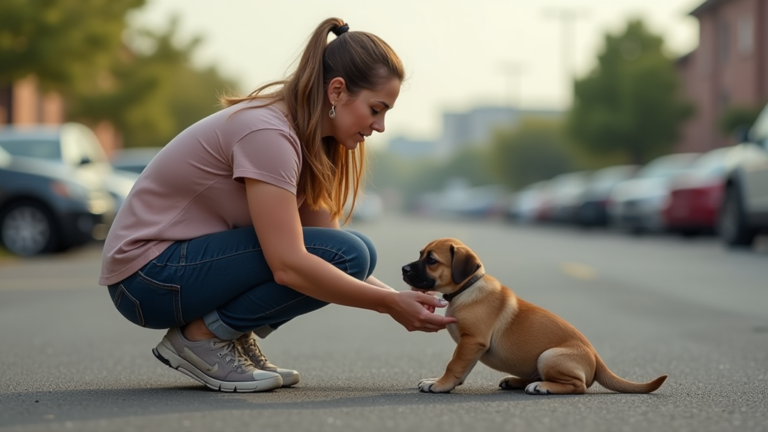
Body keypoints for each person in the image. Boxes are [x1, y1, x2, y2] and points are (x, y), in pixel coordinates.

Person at [99, 17, 456, 393]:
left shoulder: (313, 142)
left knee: (358, 251)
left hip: (175, 272)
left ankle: (225, 335)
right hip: (147, 278)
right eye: (376, 109)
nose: (380, 126)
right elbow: (290, 265)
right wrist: (388, 304)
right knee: (351, 252)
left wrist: (401, 300)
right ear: (337, 91)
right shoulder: (268, 133)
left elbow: (332, 255)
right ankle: (202, 339)